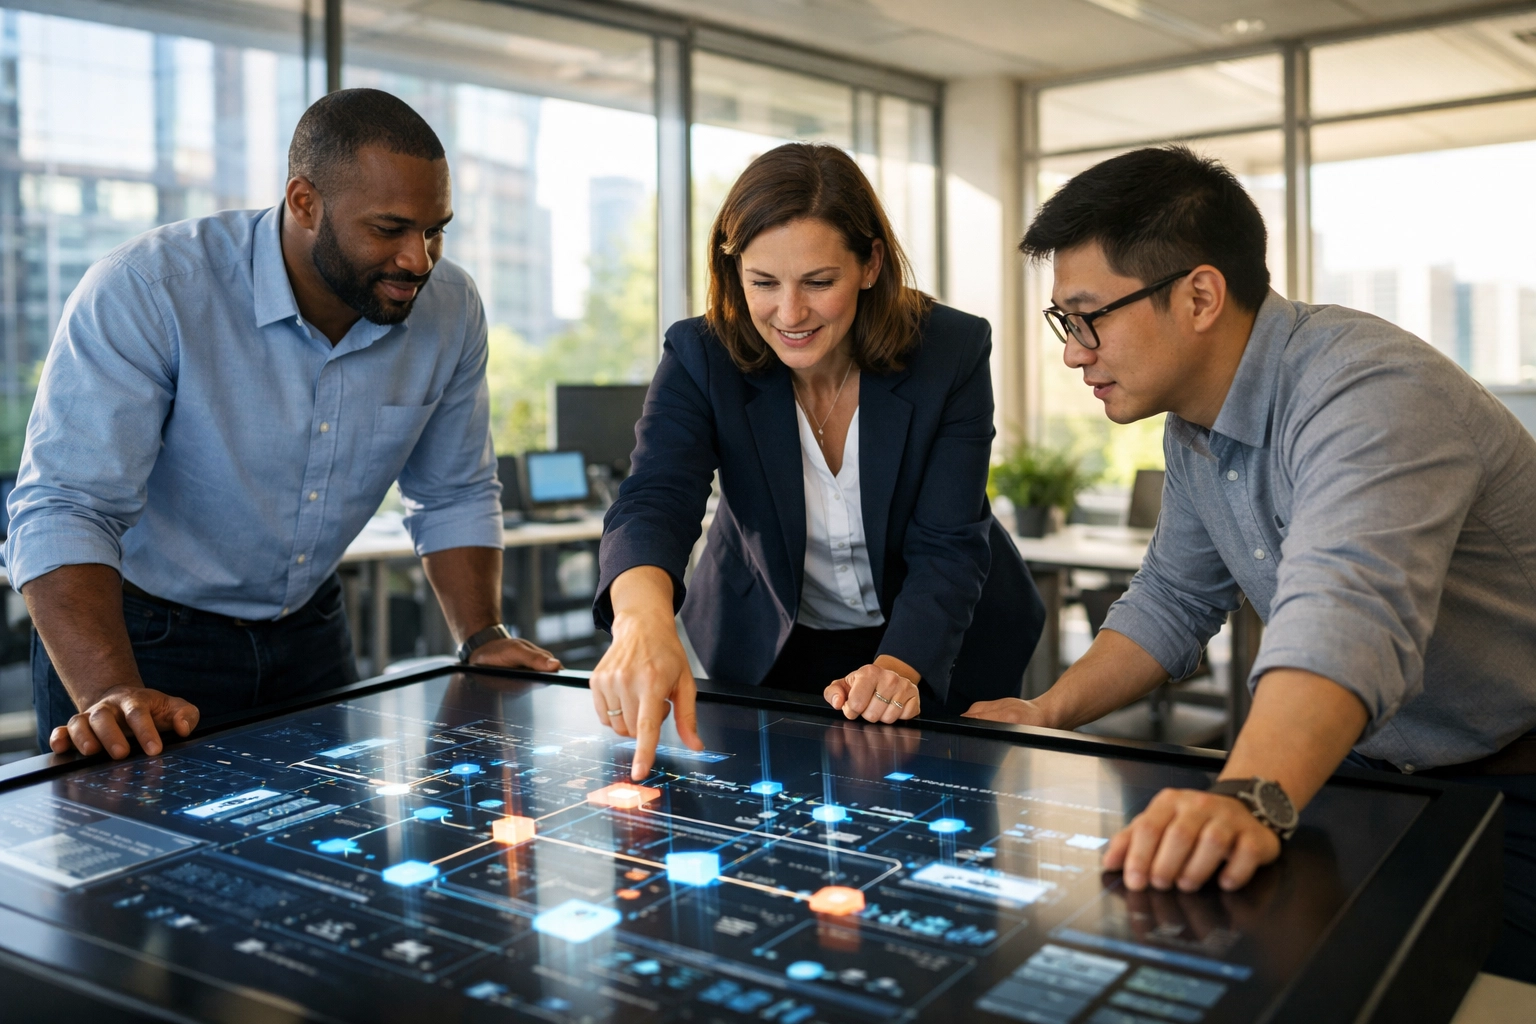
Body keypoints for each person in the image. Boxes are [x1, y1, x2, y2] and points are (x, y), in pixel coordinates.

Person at [963, 145, 1536, 982]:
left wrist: (1248, 797)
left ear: (1199, 294)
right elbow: (1171, 600)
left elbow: (1347, 615)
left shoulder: (1369, 389)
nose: (1073, 353)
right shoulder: (1194, 427)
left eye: (1088, 318)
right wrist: (1046, 711)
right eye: (1065, 324)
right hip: (1374, 770)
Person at [8, 88, 559, 763]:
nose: (419, 259)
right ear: (303, 202)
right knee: (142, 866)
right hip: (137, 641)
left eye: (436, 229)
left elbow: (454, 493)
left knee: (333, 862)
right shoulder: (150, 288)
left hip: (312, 634)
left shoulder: (450, 309)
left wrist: (481, 635)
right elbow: (66, 506)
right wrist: (111, 689)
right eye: (389, 229)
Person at [593, 143, 1044, 780]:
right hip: (773, 641)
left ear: (870, 265)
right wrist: (641, 618)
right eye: (763, 283)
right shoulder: (701, 355)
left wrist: (897, 668)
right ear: (735, 271)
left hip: (933, 637)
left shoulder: (950, 350)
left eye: (819, 282)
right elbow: (654, 497)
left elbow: (948, 542)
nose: (790, 314)